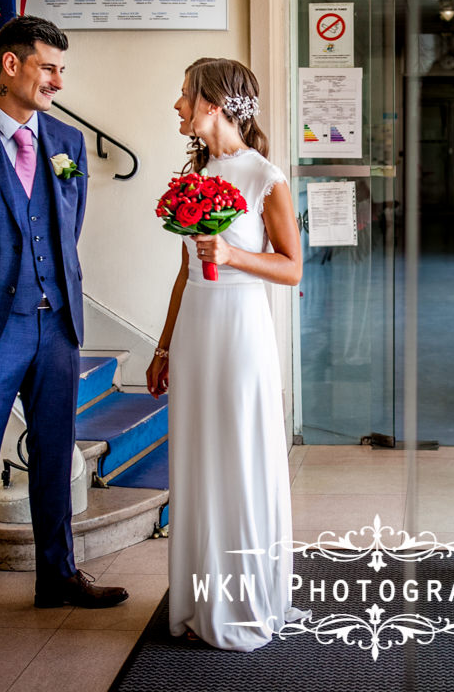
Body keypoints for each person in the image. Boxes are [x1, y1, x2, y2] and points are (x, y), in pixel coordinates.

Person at [0, 16, 128, 656]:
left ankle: (58, 576)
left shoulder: (66, 140)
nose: (58, 83)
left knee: (56, 453)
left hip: (57, 324)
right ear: (11, 65)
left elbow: (70, 224)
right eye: (48, 68)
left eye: (62, 70)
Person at [146, 58, 304, 651]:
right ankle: (198, 599)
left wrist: (234, 256)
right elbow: (186, 273)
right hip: (195, 331)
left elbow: (291, 269)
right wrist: (162, 346)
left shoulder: (265, 175)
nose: (178, 105)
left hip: (241, 332)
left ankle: (243, 599)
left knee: (237, 453)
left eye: (185, 95)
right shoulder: (199, 173)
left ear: (213, 104)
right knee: (197, 458)